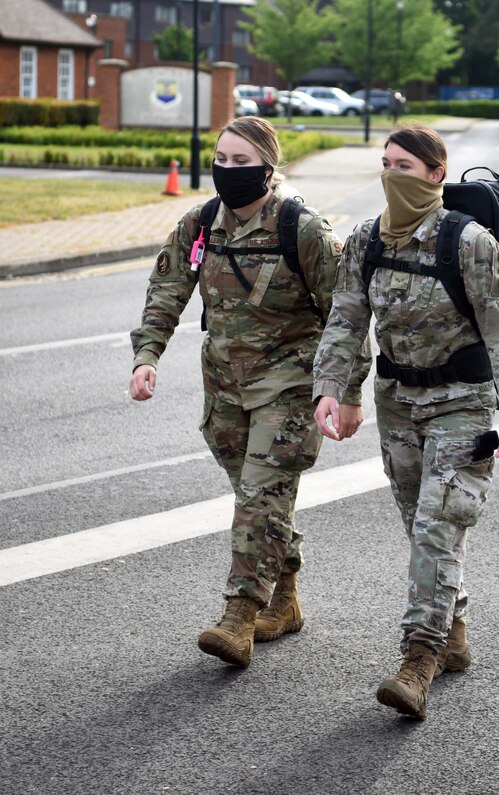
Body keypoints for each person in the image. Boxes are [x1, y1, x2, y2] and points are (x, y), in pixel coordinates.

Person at [312, 122, 499, 720]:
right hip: (397, 401)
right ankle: (454, 626)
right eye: (385, 163)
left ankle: (419, 659)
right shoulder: (366, 241)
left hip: (462, 402)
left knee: (438, 527)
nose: (391, 174)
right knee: (419, 525)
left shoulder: (471, 243)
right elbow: (346, 319)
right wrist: (334, 388)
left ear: (437, 173)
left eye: (404, 166)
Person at [129, 116, 369, 668]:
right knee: (257, 496)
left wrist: (350, 390)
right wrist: (148, 356)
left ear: (269, 165)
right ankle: (284, 601)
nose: (229, 171)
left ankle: (239, 616)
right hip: (225, 385)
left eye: (242, 161)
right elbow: (168, 287)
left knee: (261, 494)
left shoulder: (303, 229)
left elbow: (346, 316)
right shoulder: (200, 224)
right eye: (222, 159)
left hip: (290, 383)